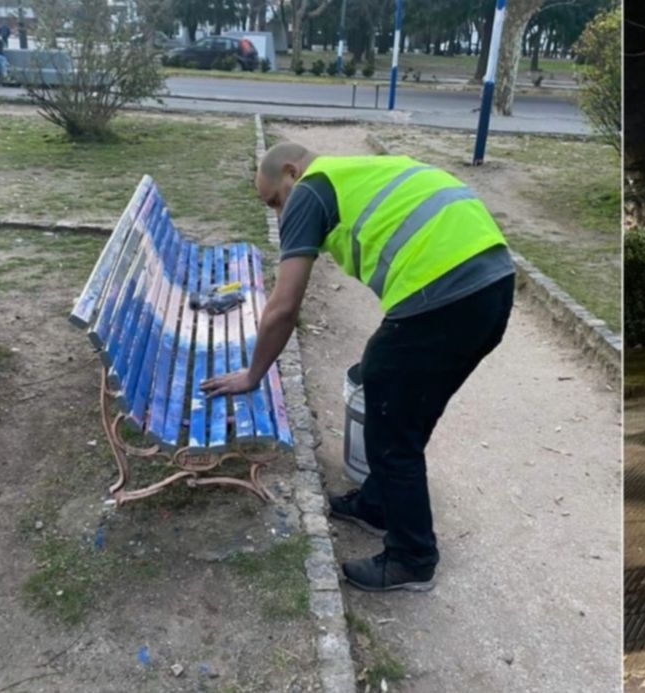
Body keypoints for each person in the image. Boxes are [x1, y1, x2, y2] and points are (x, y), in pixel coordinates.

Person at [200, 143, 515, 593]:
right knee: (400, 401)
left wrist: (252, 375)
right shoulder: (354, 173)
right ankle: (378, 504)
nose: (277, 215)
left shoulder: (309, 191)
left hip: (447, 295)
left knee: (390, 418)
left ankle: (412, 558)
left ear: (291, 171)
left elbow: (284, 307)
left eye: (274, 201)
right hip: (493, 286)